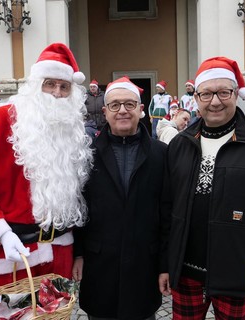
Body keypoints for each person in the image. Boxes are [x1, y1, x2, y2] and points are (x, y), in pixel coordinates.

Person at [159, 56, 245, 320]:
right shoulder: (179, 145)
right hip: (186, 275)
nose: (215, 101)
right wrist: (165, 266)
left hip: (237, 275)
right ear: (195, 98)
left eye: (223, 92)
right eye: (206, 93)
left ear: (236, 94)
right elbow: (166, 212)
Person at [0, 43, 93, 291]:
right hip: (8, 256)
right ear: (36, 85)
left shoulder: (72, 132)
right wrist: (1, 234)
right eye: (49, 83)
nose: (57, 93)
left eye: (64, 86)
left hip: (59, 254)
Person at [73, 76, 168, 320]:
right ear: (105, 112)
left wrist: (164, 265)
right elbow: (79, 207)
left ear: (141, 109)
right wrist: (78, 253)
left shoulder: (162, 154)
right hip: (99, 265)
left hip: (143, 266)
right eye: (115, 105)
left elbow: (168, 213)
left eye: (129, 104)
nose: (122, 110)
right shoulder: (87, 154)